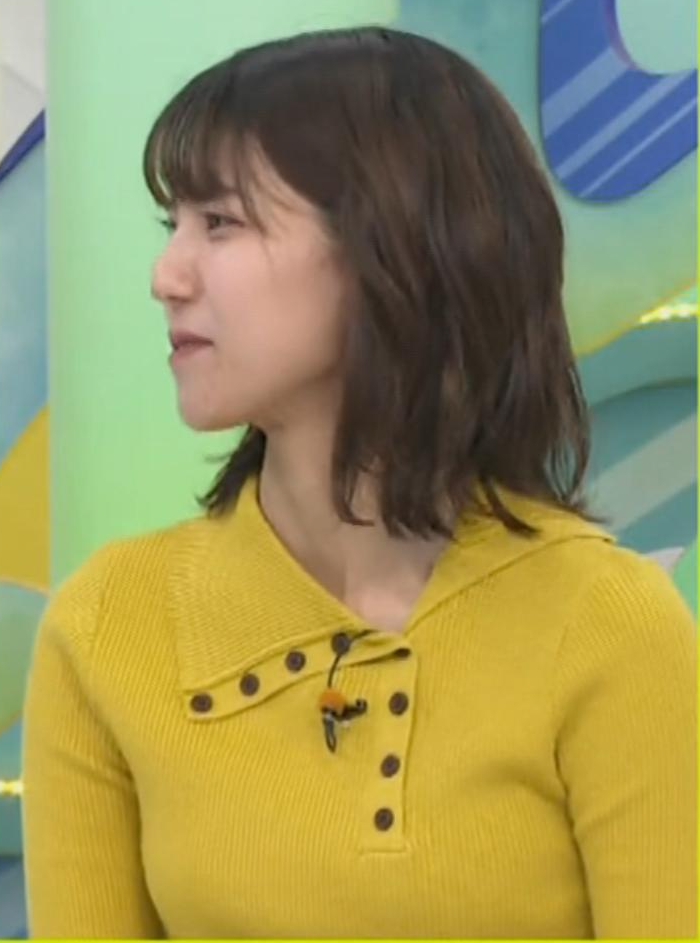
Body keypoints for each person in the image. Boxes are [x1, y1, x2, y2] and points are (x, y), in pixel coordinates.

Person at [21, 25, 696, 940]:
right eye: (171, 226)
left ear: (395, 248)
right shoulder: (109, 623)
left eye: (220, 222)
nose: (165, 275)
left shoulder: (608, 625)